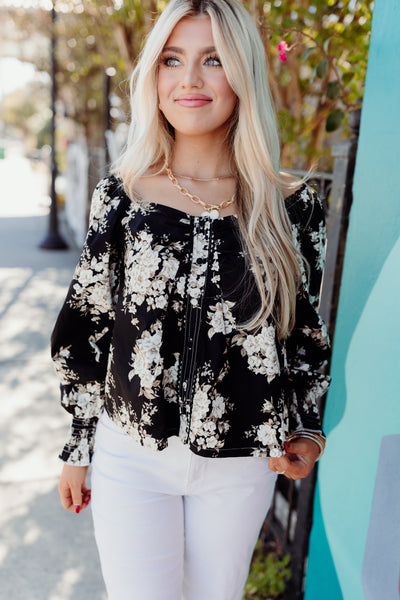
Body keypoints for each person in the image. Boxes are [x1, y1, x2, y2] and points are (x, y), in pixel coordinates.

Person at [51, 0, 330, 598]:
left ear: (243, 75)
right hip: (132, 453)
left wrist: (308, 433)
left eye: (213, 60)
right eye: (173, 60)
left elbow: (304, 337)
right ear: (153, 76)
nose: (190, 79)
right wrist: (79, 445)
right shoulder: (122, 195)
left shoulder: (292, 206)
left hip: (242, 462)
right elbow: (86, 327)